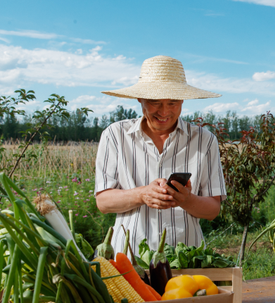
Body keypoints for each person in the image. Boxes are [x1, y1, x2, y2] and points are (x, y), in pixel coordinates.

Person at [95, 55, 227, 256]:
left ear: (183, 99)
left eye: (173, 102)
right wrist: (141, 194)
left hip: (185, 260)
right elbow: (103, 202)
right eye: (155, 101)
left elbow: (213, 210)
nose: (164, 111)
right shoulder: (115, 135)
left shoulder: (204, 140)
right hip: (128, 261)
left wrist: (186, 199)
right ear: (140, 98)